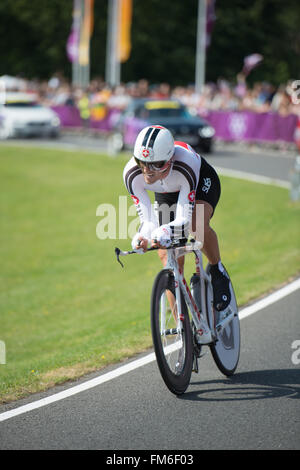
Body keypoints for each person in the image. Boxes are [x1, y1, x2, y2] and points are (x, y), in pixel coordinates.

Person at [123, 125, 231, 311]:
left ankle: (217, 269)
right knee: (167, 256)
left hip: (198, 183)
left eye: (156, 164)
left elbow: (184, 220)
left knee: (196, 225)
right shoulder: (132, 174)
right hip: (166, 191)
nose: (148, 171)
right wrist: (142, 237)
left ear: (170, 159)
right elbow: (148, 221)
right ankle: (185, 333)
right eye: (142, 162)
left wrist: (166, 229)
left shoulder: (184, 165)